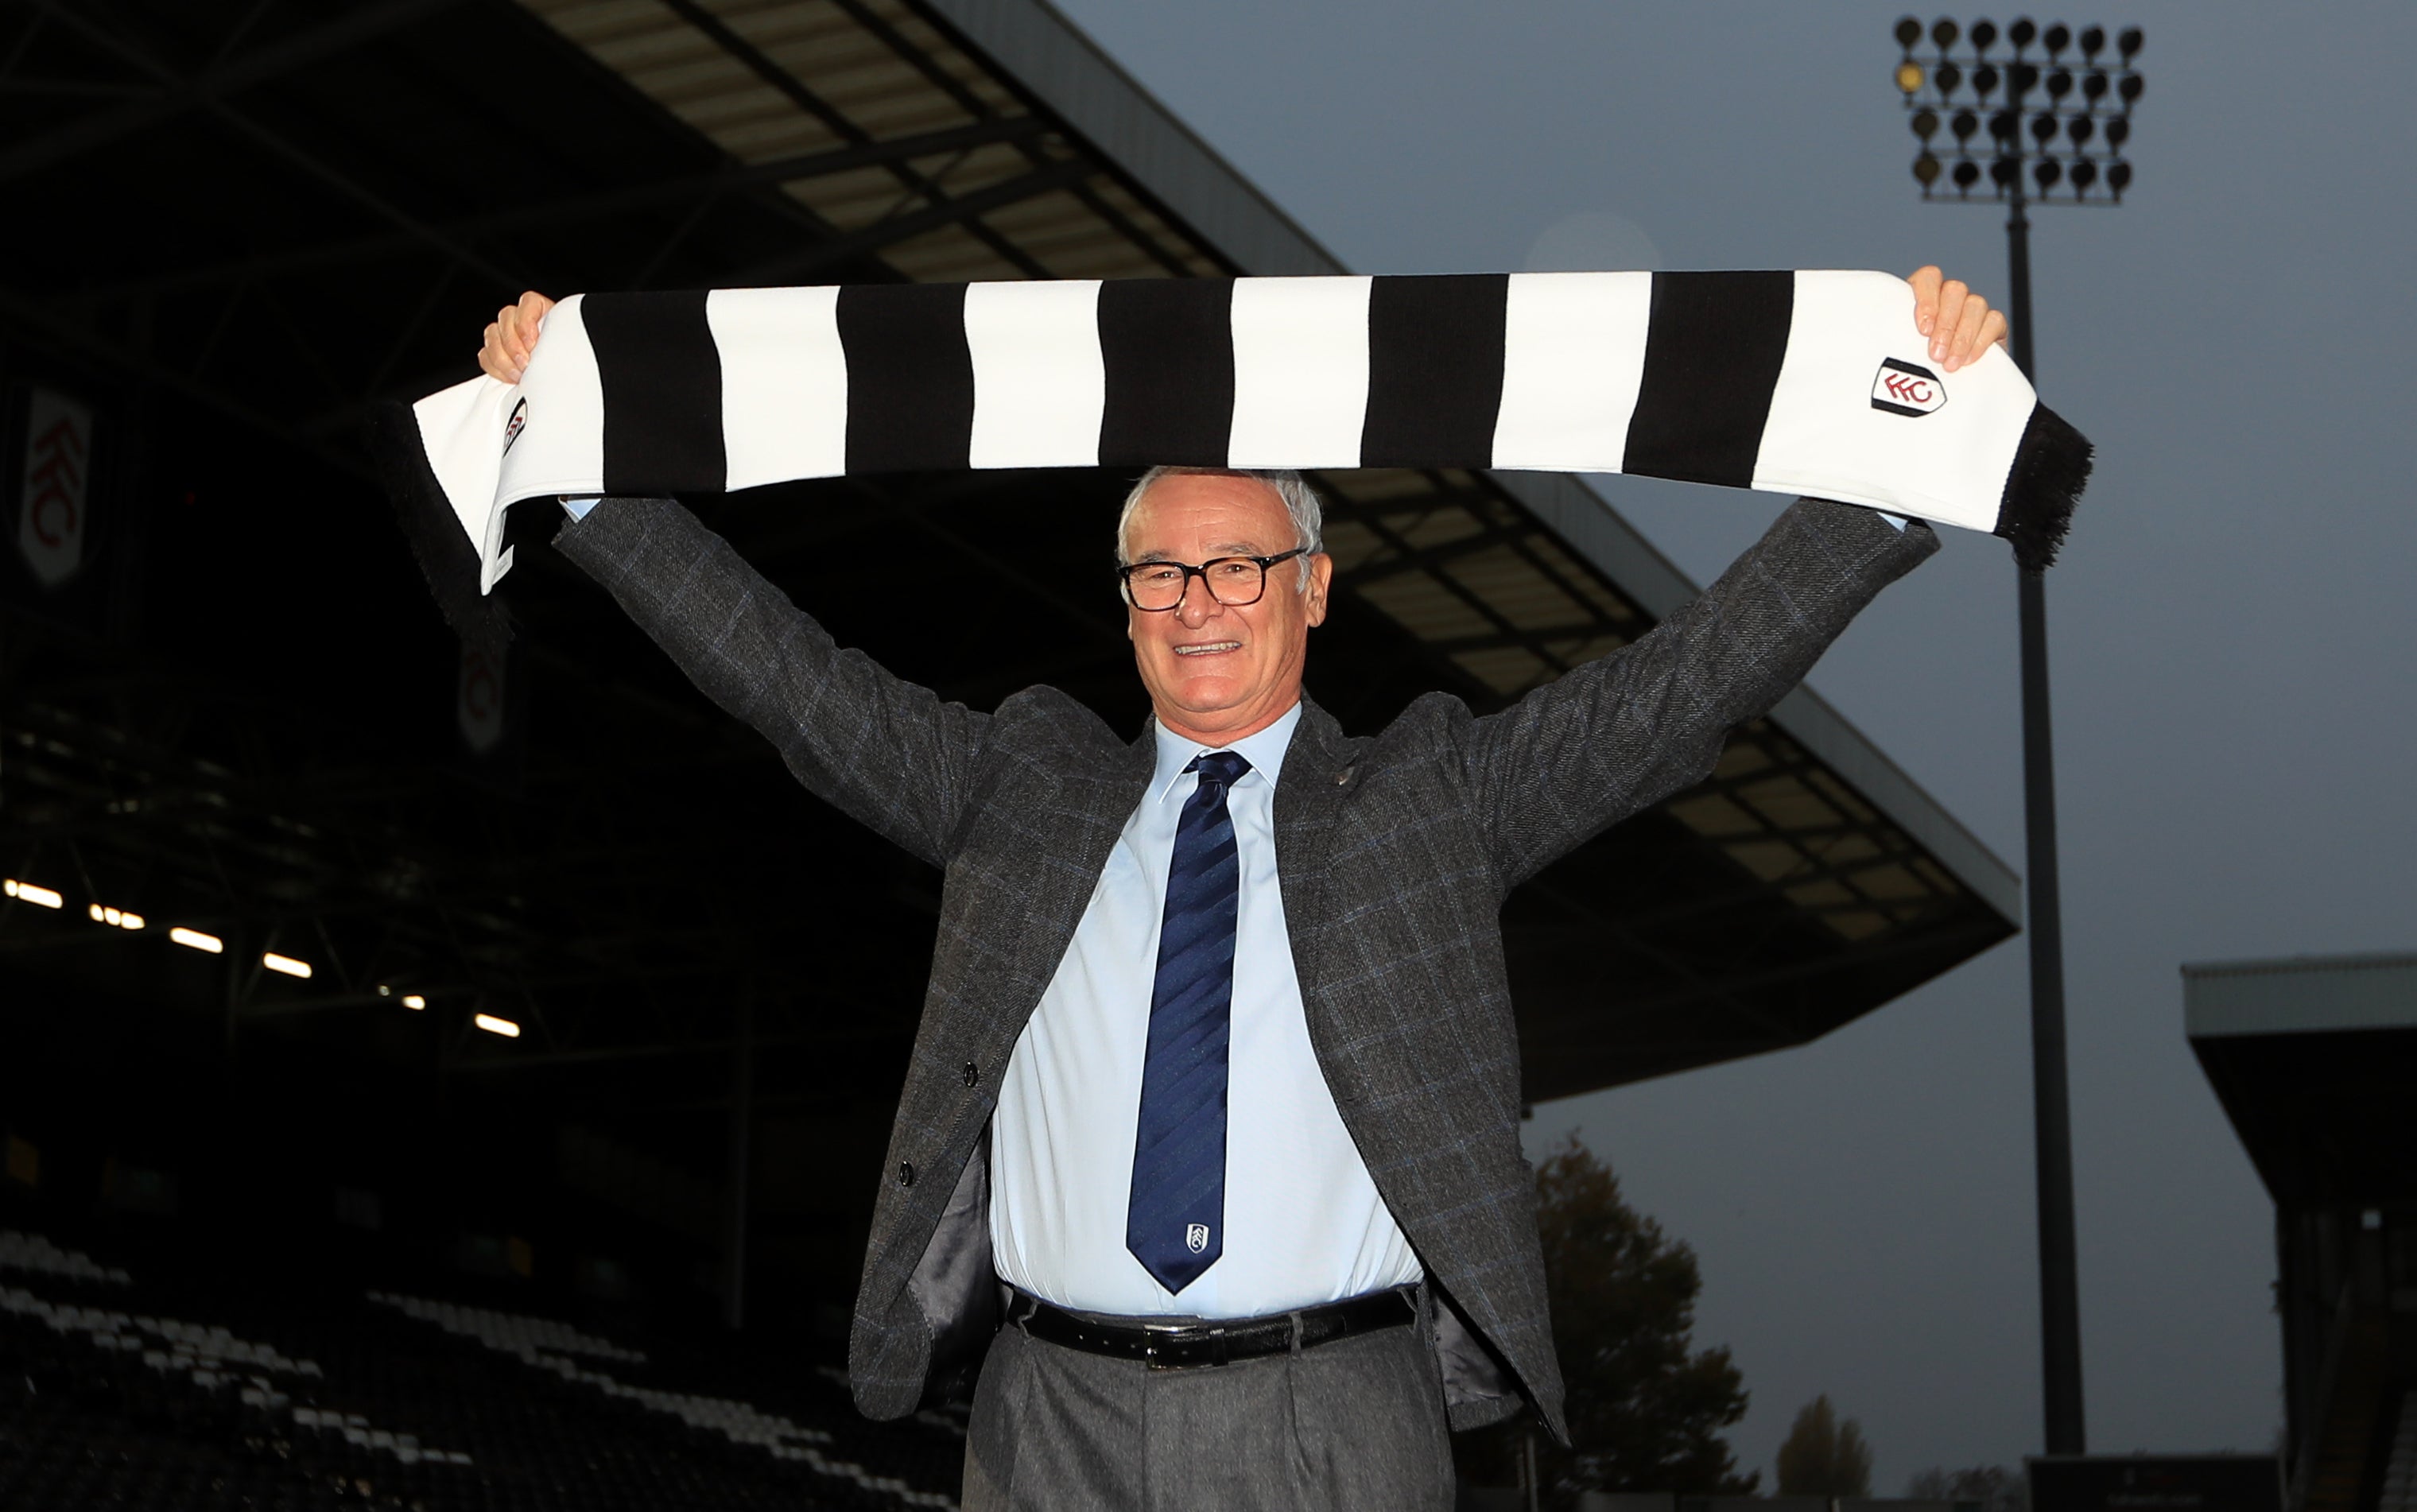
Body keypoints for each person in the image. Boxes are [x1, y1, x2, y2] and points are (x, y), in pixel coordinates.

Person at [478, 270, 2006, 1511]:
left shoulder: (1430, 795)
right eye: (1162, 573)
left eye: (1239, 567)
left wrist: (1889, 477)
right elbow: (792, 680)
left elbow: (1672, 693)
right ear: (1126, 605)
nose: (1198, 604)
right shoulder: (1017, 780)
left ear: (1314, 586)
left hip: (1333, 1422)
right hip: (1047, 1421)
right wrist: (587, 487)